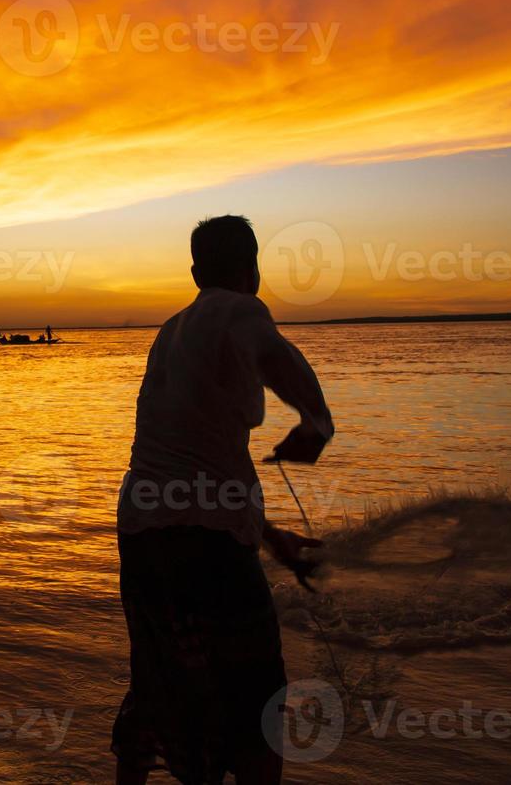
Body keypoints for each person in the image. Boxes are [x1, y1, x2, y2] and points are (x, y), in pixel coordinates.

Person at [113, 215, 334, 785]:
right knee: (257, 700)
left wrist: (268, 535)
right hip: (205, 547)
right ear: (251, 270)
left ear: (194, 272)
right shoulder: (241, 309)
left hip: (142, 537)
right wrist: (314, 424)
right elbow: (288, 369)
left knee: (164, 679)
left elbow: (193, 469)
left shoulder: (170, 333)